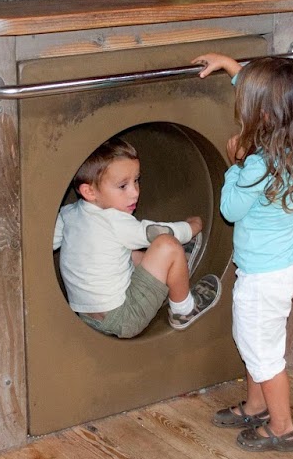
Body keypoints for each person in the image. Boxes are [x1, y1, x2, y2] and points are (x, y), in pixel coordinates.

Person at [193, 52, 293, 452]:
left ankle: (282, 427)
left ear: (265, 115)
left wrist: (234, 164)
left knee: (262, 351)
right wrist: (232, 68)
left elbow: (230, 209)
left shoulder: (258, 166)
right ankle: (256, 405)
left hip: (262, 277)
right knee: (255, 341)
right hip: (284, 266)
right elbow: (268, 96)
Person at [53, 136, 220, 338]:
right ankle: (184, 310)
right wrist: (192, 227)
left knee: (126, 252)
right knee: (168, 245)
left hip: (86, 317)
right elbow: (157, 232)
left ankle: (175, 271)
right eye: (123, 186)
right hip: (126, 316)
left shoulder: (68, 214)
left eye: (136, 180)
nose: (134, 193)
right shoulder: (115, 220)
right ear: (89, 191)